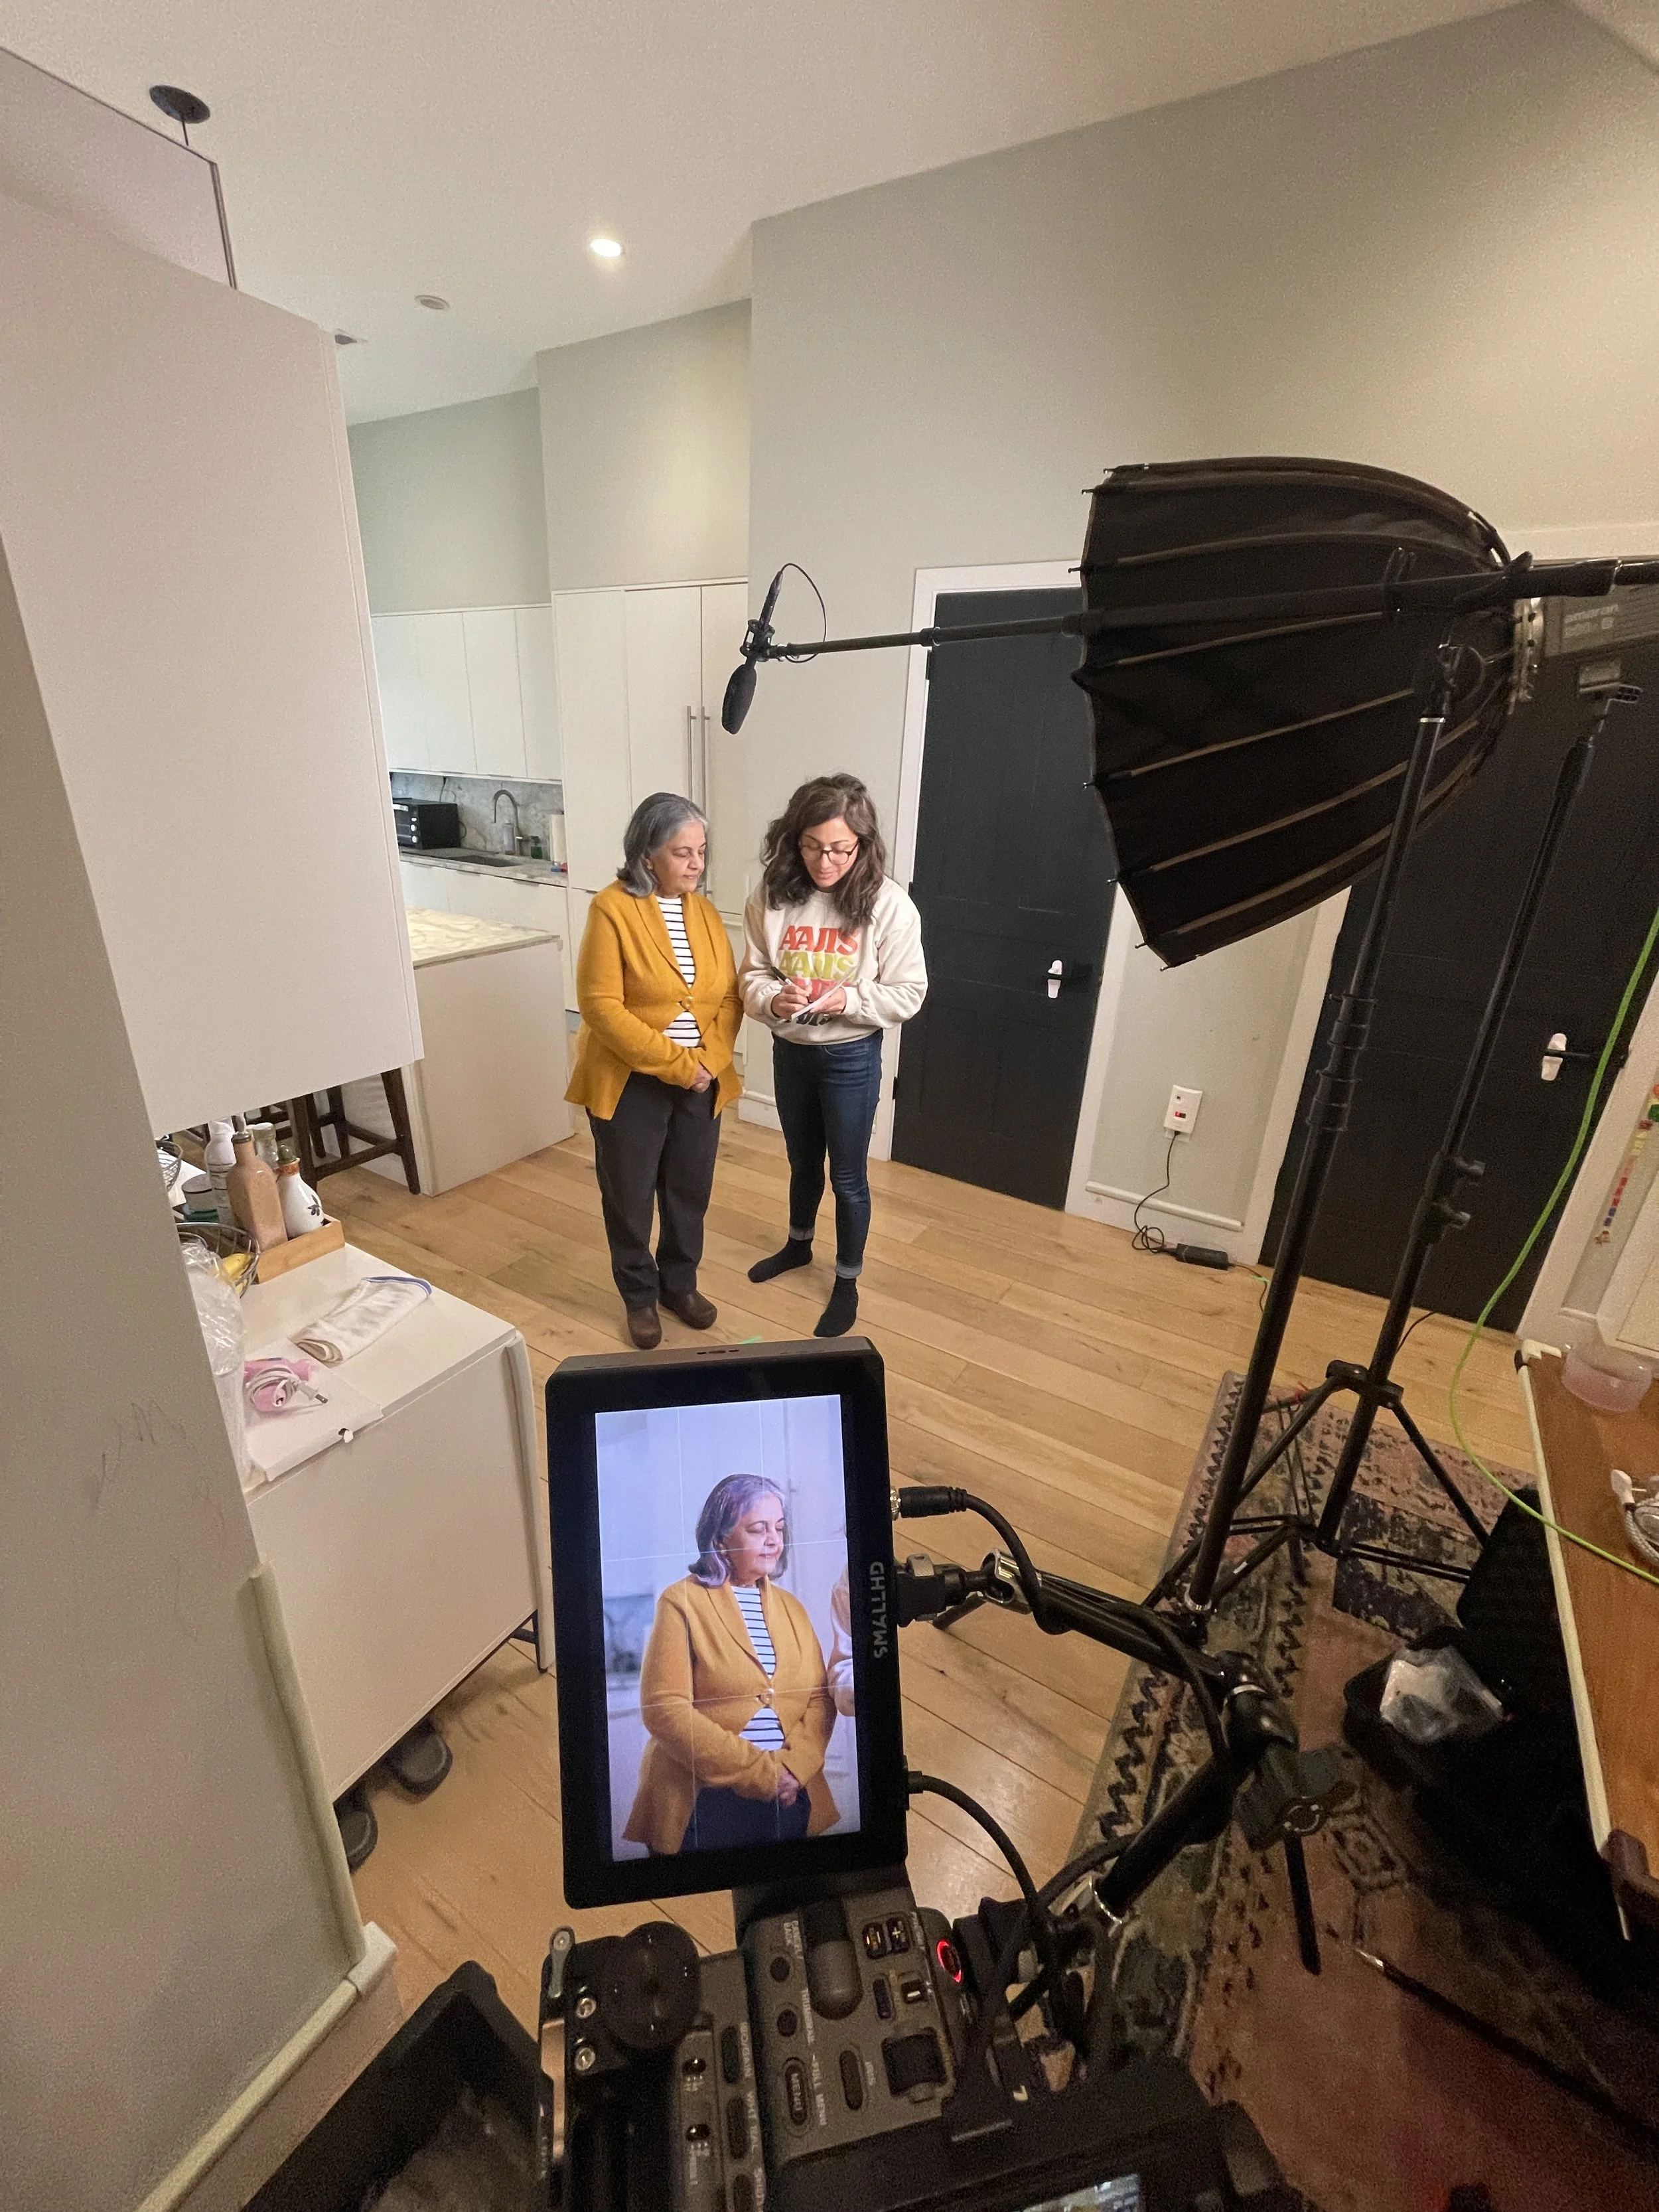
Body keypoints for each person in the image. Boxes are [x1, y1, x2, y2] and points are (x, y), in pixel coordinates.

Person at [739, 774, 927, 1337]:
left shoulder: (889, 905)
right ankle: (798, 1247)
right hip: (791, 1051)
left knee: (847, 1177)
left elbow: (910, 992)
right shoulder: (770, 896)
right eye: (813, 846)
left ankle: (846, 1280)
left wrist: (848, 996)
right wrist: (776, 996)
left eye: (841, 849)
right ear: (793, 839)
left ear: (862, 845)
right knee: (802, 1161)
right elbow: (749, 977)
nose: (826, 861)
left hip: (850, 1057)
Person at [566, 792, 742, 1349]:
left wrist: (708, 1062)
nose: (696, 863)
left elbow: (730, 999)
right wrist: (676, 1064)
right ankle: (639, 1296)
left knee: (690, 1189)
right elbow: (601, 1007)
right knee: (630, 1194)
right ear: (647, 855)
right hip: (632, 1081)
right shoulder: (612, 909)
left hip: (700, 1081)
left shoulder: (707, 914)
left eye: (701, 850)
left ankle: (679, 1284)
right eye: (682, 852)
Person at [623, 1475, 837, 1854]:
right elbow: (665, 1710)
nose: (774, 1539)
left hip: (792, 1796)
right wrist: (760, 1775)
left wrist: (795, 1768)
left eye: (780, 1528)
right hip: (705, 1803)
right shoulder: (681, 1601)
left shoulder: (794, 1609)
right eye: (758, 1529)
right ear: (720, 1539)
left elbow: (821, 1698)